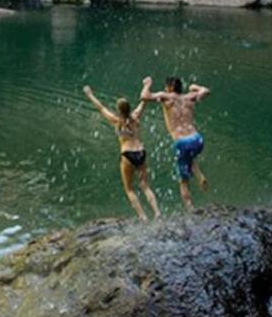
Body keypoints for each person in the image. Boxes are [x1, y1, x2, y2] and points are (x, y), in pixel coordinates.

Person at [83, 83, 161, 221]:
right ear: (129, 108)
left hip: (127, 154)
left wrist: (90, 94)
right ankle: (157, 213)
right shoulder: (136, 116)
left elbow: (100, 107)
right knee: (145, 186)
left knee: (129, 189)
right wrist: (147, 85)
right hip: (140, 151)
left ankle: (143, 216)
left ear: (118, 110)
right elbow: (144, 101)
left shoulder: (116, 120)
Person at [141, 75, 211, 211]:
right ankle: (199, 175)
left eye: (166, 86)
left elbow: (144, 96)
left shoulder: (166, 97)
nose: (164, 89)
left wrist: (147, 84)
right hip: (197, 139)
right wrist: (195, 87)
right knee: (189, 156)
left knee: (183, 181)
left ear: (170, 88)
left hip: (182, 142)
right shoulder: (190, 97)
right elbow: (206, 91)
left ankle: (191, 210)